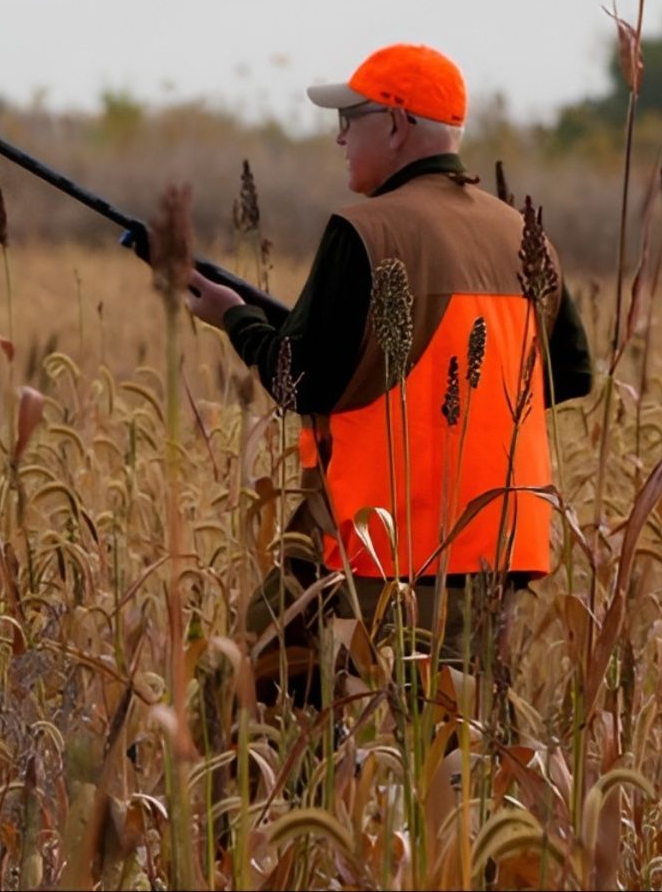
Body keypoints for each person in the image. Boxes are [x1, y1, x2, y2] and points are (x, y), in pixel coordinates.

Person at [185, 43, 592, 703]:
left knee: (376, 748)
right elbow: (569, 373)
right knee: (446, 747)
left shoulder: (366, 229)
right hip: (494, 550)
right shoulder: (523, 233)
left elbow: (301, 379)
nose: (341, 135)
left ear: (397, 125)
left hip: (385, 547)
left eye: (351, 117)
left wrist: (235, 319)